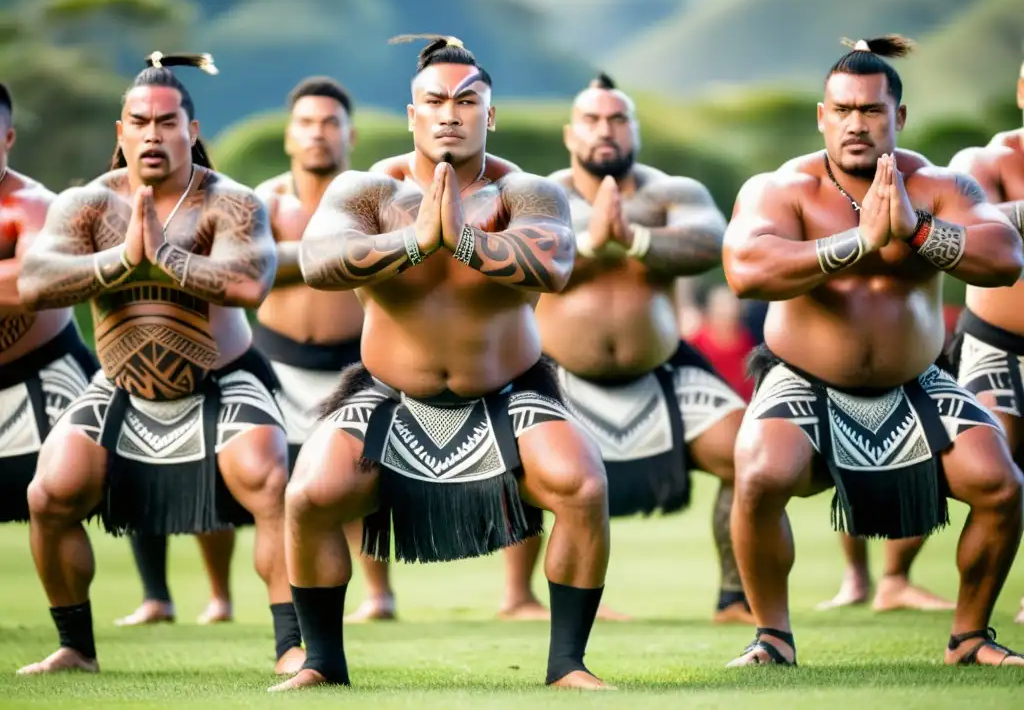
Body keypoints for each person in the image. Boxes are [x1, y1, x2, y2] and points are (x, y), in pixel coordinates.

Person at [270, 35, 610, 692]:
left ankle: (568, 663)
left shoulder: (528, 190)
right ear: (411, 114)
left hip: (508, 391)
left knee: (583, 486)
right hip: (389, 392)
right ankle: (321, 663)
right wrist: (417, 239)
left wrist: (464, 239)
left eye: (466, 100)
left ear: (491, 114)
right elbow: (317, 263)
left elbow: (555, 265)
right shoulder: (366, 190)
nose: (450, 113)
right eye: (434, 101)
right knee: (309, 494)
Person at [722, 35, 1024, 667]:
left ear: (899, 117)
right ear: (822, 116)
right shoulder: (784, 188)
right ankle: (772, 637)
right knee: (758, 475)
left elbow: (1003, 258)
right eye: (843, 110)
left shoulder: (940, 186)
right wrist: (856, 243)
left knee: (1000, 483)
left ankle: (969, 637)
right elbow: (748, 269)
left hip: (916, 384)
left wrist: (914, 228)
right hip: (804, 380)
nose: (856, 124)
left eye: (872, 111)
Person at [14, 53, 304, 676]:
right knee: (51, 492)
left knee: (269, 480)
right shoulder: (85, 204)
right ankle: (75, 647)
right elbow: (36, 282)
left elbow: (250, 282)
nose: (153, 133)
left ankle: (291, 646)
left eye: (168, 122)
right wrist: (120, 261)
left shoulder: (232, 202)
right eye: (139, 122)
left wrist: (166, 256)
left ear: (192, 131)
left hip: (222, 380)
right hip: (119, 384)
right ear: (120, 131)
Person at [497, 73, 752, 625]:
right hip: (555, 370)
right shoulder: (539, 194)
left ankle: (735, 597)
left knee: (747, 456)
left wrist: (634, 238)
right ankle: (519, 597)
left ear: (634, 129)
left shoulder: (672, 192)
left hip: (661, 369)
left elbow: (713, 241)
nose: (605, 130)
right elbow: (520, 257)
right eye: (592, 120)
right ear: (571, 133)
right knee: (526, 469)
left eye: (617, 119)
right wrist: (590, 241)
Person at [252, 76, 398, 623]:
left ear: (350, 134)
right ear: (290, 136)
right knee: (269, 487)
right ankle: (237, 599)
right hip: (276, 362)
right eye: (307, 124)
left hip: (354, 362)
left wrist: (297, 260)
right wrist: (328, 257)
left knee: (360, 479)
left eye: (330, 123)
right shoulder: (262, 201)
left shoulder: (371, 200)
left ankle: (379, 593)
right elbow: (249, 272)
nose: (318, 134)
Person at [0, 82, 98, 529]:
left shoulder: (36, 205)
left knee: (126, 478)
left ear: (8, 138)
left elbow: (29, 286)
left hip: (46, 377)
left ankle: (159, 597)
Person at [947, 57, 1024, 626]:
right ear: (1022, 91)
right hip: (994, 342)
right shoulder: (984, 160)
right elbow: (969, 221)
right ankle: (893, 579)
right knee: (987, 467)